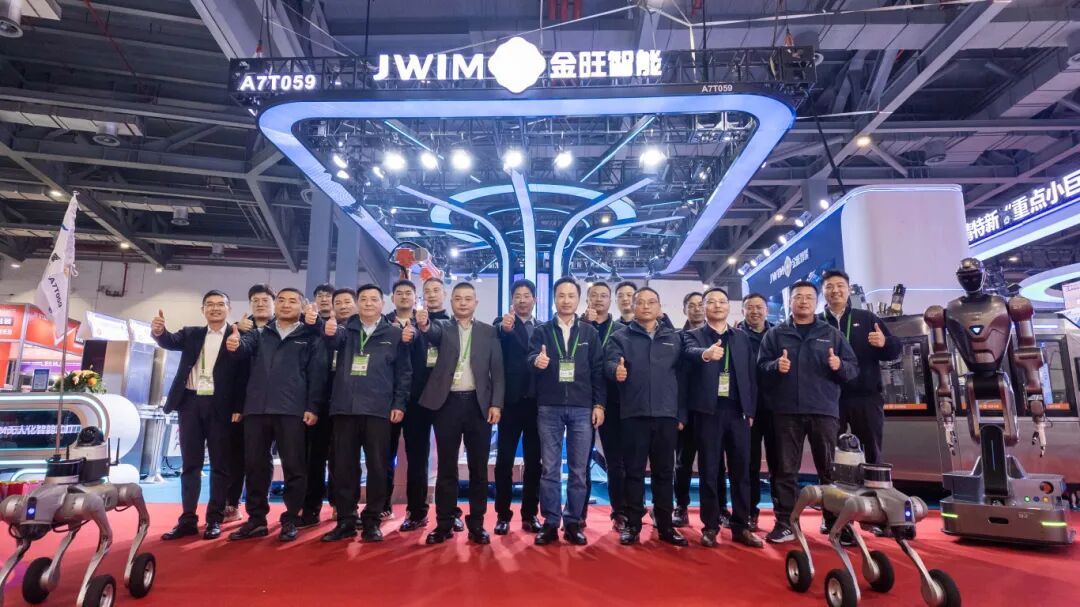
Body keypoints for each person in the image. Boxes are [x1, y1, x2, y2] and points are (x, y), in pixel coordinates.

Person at [757, 280, 858, 544]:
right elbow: (760, 368)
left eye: (808, 297)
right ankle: (785, 523)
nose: (803, 301)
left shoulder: (831, 334)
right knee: (785, 470)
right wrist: (775, 366)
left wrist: (839, 365)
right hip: (785, 412)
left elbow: (852, 369)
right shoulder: (775, 335)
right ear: (790, 302)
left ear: (816, 302)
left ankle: (835, 522)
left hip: (823, 410)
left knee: (829, 470)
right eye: (798, 297)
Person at [225, 287, 329, 542]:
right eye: (281, 300)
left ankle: (291, 518)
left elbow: (317, 374)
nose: (285, 304)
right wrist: (234, 344)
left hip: (292, 410)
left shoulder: (310, 336)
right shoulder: (260, 333)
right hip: (257, 409)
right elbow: (242, 350)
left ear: (302, 307)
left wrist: (312, 407)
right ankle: (256, 519)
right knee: (255, 466)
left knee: (295, 466)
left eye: (292, 301)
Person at [151, 291, 245, 541]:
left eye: (220, 304)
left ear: (229, 308)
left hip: (221, 406)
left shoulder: (237, 336)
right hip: (190, 403)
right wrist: (159, 332)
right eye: (210, 305)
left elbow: (242, 376)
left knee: (220, 465)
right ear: (203, 310)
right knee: (190, 464)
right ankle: (187, 519)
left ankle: (214, 519)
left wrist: (238, 407)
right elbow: (169, 341)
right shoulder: (191, 333)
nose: (215, 308)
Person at [320, 285, 411, 543]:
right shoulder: (344, 330)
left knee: (378, 467)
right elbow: (330, 342)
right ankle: (346, 520)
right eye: (363, 299)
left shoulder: (394, 334)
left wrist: (399, 404)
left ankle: (372, 521)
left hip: (379, 410)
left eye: (374, 299)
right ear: (357, 303)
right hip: (344, 410)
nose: (368, 303)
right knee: (344, 468)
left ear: (383, 304)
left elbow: (404, 373)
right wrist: (328, 330)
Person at [417, 282, 503, 545]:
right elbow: (430, 332)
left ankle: (477, 524)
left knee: (479, 468)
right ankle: (443, 523)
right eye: (458, 298)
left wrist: (496, 404)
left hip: (479, 405)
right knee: (446, 467)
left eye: (468, 298)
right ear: (451, 302)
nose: (463, 303)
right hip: (447, 405)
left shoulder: (489, 332)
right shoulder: (442, 328)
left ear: (476, 302)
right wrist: (424, 324)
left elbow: (497, 371)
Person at [681, 288, 763, 548]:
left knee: (741, 471)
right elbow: (689, 353)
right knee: (709, 471)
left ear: (729, 306)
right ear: (703, 307)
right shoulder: (692, 336)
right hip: (708, 412)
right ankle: (710, 526)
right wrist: (706, 354)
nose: (717, 306)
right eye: (711, 302)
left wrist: (750, 410)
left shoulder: (741, 337)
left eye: (722, 302)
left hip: (738, 413)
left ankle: (741, 525)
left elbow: (751, 376)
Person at [605, 287, 688, 546]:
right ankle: (632, 524)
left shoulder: (675, 338)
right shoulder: (620, 337)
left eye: (651, 302)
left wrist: (681, 413)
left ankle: (665, 526)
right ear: (633, 306)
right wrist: (615, 371)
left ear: (659, 307)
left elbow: (684, 378)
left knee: (664, 473)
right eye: (640, 302)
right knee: (634, 473)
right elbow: (609, 363)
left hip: (666, 415)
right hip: (634, 414)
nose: (646, 306)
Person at [528, 277, 605, 545]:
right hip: (549, 406)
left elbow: (598, 371)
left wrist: (599, 404)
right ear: (554, 299)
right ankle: (550, 521)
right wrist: (536, 361)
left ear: (578, 300)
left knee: (578, 470)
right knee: (549, 468)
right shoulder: (542, 331)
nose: (566, 300)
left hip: (582, 408)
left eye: (571, 296)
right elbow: (529, 357)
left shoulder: (589, 333)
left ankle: (573, 522)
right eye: (561, 295)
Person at [385, 278, 465, 532]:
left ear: (444, 294)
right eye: (427, 291)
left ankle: (450, 512)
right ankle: (417, 511)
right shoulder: (409, 323)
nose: (431, 295)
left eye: (436, 290)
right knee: (417, 458)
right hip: (415, 399)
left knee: (448, 460)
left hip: (446, 398)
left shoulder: (454, 323)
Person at [821, 270, 902, 465]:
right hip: (828, 399)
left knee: (871, 452)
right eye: (829, 287)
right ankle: (833, 484)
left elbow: (895, 351)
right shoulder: (817, 323)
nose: (835, 290)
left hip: (866, 397)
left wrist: (884, 343)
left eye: (840, 286)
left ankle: (872, 483)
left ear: (848, 289)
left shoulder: (867, 318)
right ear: (823, 292)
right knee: (828, 453)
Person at [493, 279, 542, 535]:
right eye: (517, 296)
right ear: (512, 300)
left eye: (526, 295)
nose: (522, 300)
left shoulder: (543, 327)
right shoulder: (503, 325)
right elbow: (498, 336)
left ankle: (530, 514)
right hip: (510, 403)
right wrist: (504, 328)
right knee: (504, 461)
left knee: (535, 462)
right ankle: (502, 514)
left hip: (537, 404)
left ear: (534, 299)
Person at [225, 283, 276, 522]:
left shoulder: (285, 328)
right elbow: (233, 371)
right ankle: (232, 504)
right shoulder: (238, 330)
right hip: (246, 404)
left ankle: (272, 504)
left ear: (274, 304)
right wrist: (237, 405)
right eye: (255, 301)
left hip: (281, 404)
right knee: (239, 456)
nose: (260, 304)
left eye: (265, 300)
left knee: (269, 459)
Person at [581, 281, 626, 530]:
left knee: (615, 461)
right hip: (580, 400)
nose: (599, 299)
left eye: (604, 296)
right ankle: (578, 513)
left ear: (611, 300)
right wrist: (584, 324)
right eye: (594, 295)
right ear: (587, 299)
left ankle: (619, 512)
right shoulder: (578, 327)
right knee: (580, 462)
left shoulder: (620, 330)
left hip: (613, 402)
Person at [300, 283, 337, 527]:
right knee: (312, 458)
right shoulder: (305, 327)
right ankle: (310, 507)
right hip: (312, 402)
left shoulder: (346, 327)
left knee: (340, 458)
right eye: (320, 295)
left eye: (328, 296)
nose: (324, 299)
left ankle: (338, 504)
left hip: (341, 402)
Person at [738, 292, 775, 531]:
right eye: (749, 307)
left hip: (775, 408)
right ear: (743, 311)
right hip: (746, 409)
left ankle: (783, 516)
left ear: (766, 310)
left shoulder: (778, 334)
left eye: (759, 307)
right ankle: (749, 512)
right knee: (748, 464)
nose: (754, 311)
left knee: (779, 463)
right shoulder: (735, 336)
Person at [673, 291, 706, 529]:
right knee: (683, 463)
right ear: (684, 310)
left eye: (700, 304)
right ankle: (681, 507)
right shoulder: (676, 338)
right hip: (685, 411)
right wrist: (679, 411)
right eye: (691, 305)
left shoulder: (718, 336)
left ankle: (716, 509)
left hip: (712, 410)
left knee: (713, 464)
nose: (696, 309)